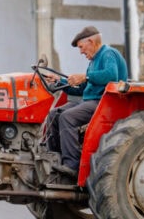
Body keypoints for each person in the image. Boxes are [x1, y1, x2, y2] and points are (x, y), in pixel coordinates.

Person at [44, 26, 128, 177]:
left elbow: (111, 75)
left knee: (67, 117)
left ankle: (72, 165)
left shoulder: (108, 53)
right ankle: (55, 158)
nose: (81, 52)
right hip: (89, 100)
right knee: (54, 114)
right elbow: (82, 89)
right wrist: (60, 82)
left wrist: (85, 77)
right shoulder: (93, 62)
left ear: (91, 41)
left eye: (81, 47)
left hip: (104, 102)